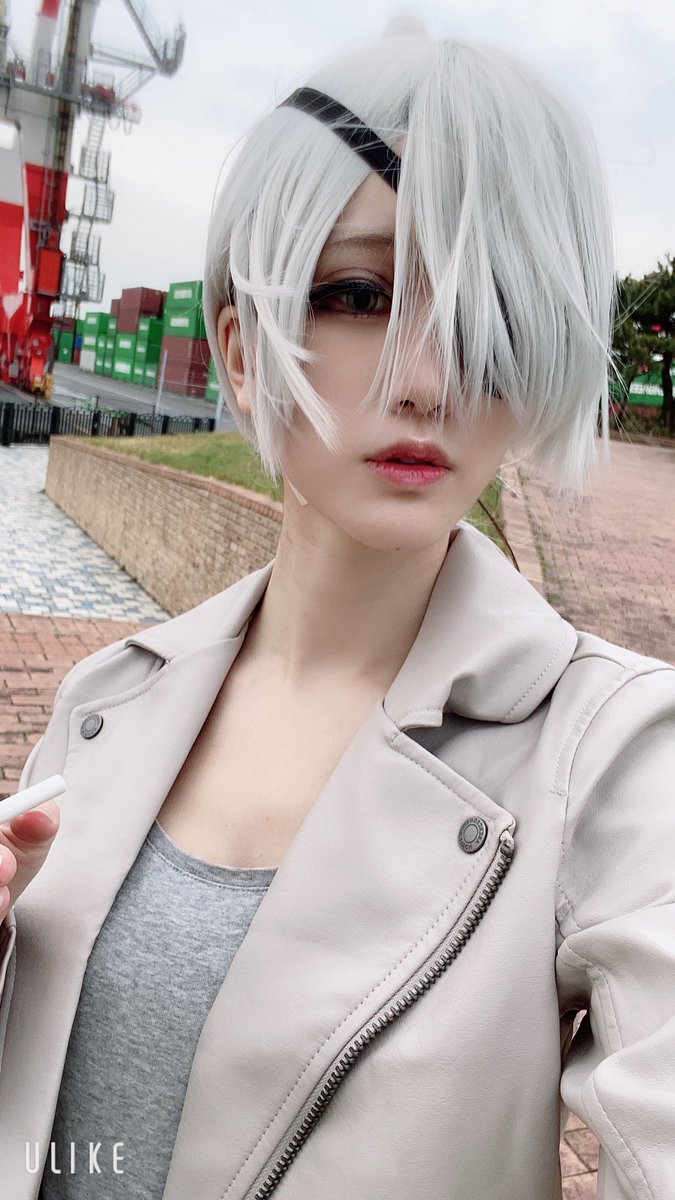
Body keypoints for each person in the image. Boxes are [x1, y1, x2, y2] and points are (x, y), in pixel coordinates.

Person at [0, 23, 674, 1200]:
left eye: (494, 309)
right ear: (240, 350)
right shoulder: (106, 699)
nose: (430, 379)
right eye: (361, 294)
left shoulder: (615, 759)